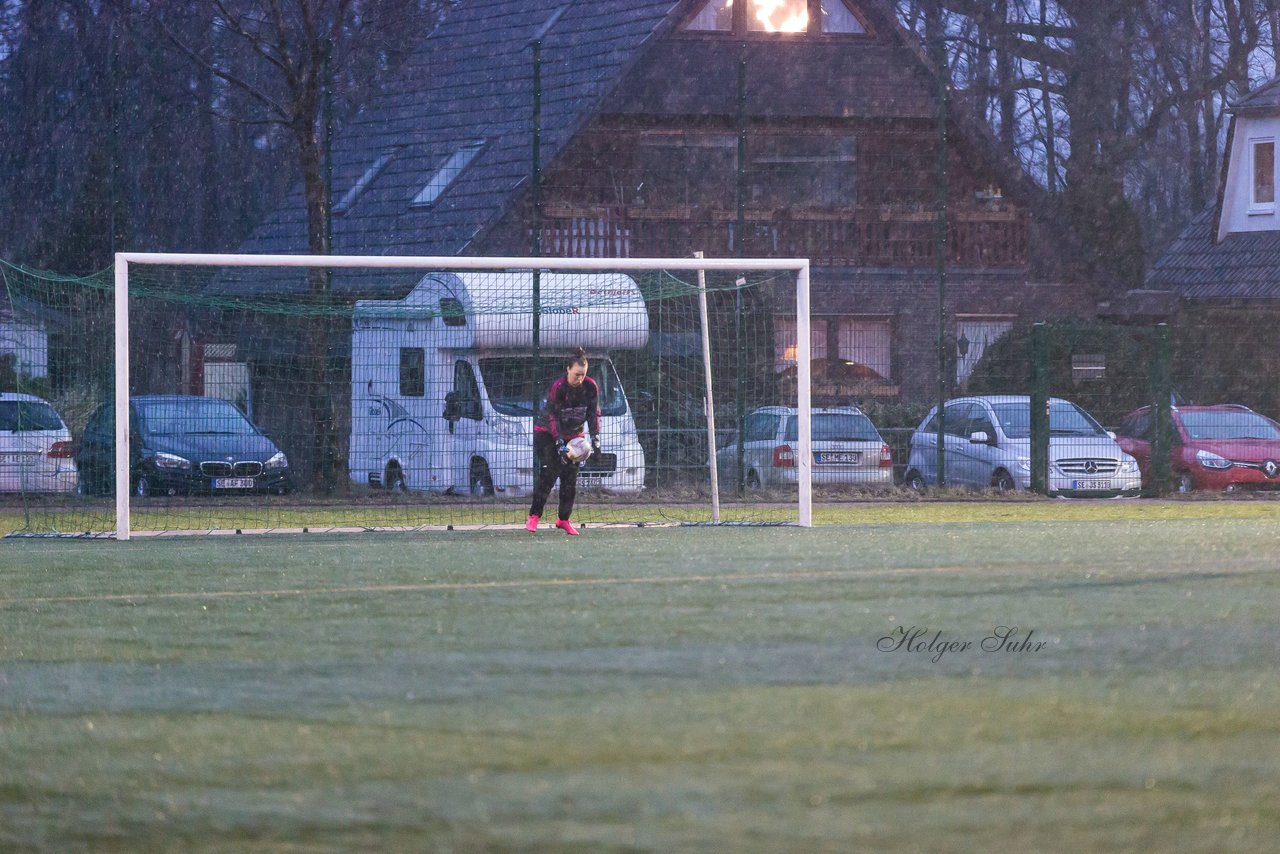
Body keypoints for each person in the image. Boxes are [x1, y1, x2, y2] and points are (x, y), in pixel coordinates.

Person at [526, 347, 601, 536]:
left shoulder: (591, 387)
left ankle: (563, 520)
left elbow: (593, 415)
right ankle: (534, 516)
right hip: (547, 433)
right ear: (568, 369)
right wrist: (559, 443)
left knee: (570, 479)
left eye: (583, 375)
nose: (580, 379)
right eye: (576, 374)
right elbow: (553, 417)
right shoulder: (559, 387)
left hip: (574, 435)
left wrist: (596, 439)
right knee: (549, 473)